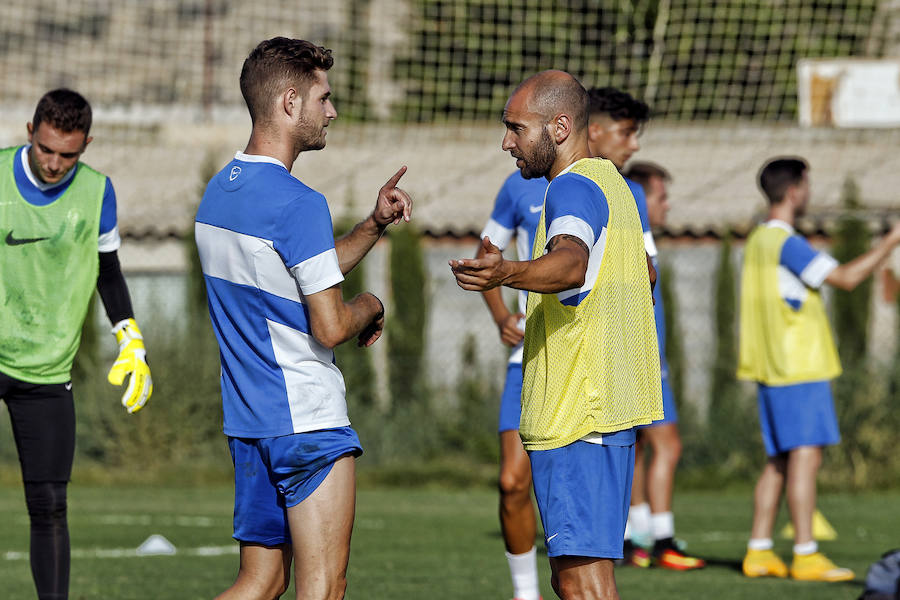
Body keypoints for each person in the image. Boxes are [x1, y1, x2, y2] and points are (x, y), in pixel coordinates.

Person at [195, 37, 412, 600]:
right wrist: (372, 307)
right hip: (308, 423)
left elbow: (292, 272)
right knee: (323, 586)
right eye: (324, 98)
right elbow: (331, 325)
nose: (332, 112)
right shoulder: (299, 202)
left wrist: (372, 225)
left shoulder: (218, 194)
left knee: (260, 581)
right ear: (290, 102)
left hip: (249, 426)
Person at [451, 70, 662, 600]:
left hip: (576, 412)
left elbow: (569, 264)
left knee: (583, 585)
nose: (506, 142)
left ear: (560, 126)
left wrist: (505, 274)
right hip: (604, 406)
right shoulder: (613, 184)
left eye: (516, 128)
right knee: (582, 581)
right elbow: (645, 273)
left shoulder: (569, 187)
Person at [0, 88, 152, 600]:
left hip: (46, 369)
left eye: (69, 154)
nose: (54, 163)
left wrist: (129, 335)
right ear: (30, 133)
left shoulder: (97, 191)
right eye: (46, 149)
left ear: (87, 143)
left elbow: (108, 272)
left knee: (49, 507)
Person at [737, 156, 900, 582]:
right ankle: (806, 552)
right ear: (794, 190)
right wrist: (891, 242)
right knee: (805, 460)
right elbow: (846, 278)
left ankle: (758, 550)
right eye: (807, 186)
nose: (809, 194)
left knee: (778, 462)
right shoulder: (787, 242)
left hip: (770, 367)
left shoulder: (756, 240)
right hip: (798, 366)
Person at [621, 162, 705, 571]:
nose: (667, 206)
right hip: (644, 358)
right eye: (661, 197)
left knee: (634, 449)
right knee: (667, 445)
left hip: (635, 356)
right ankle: (662, 539)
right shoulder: (635, 238)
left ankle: (634, 538)